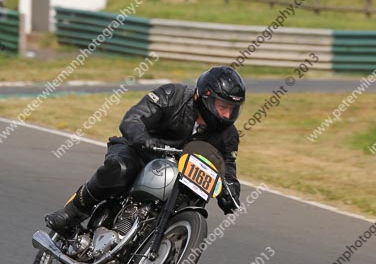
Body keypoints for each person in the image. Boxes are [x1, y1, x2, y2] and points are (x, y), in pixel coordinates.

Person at [45, 66, 246, 233]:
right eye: (223, 107)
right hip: (139, 151)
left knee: (193, 199)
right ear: (206, 96)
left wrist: (230, 190)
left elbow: (227, 164)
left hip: (179, 173)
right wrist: (144, 139)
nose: (227, 115)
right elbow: (133, 119)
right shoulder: (172, 96)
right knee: (121, 168)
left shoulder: (228, 135)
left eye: (232, 109)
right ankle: (72, 213)